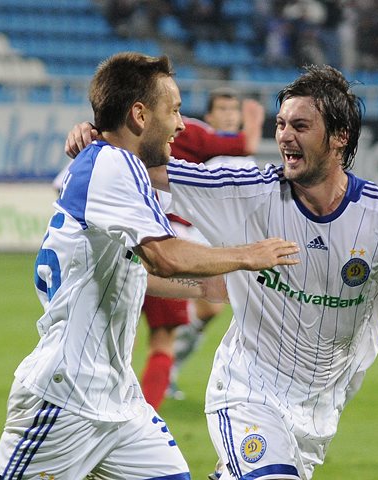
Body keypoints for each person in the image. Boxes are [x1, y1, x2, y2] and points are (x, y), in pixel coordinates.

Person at [66, 64, 378, 480]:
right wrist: (98, 141)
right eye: (281, 124)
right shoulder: (246, 191)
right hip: (246, 393)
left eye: (301, 126)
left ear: (340, 136)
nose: (285, 136)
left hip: (319, 411)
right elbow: (142, 169)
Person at [0, 52, 300, 480]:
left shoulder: (116, 164)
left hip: (119, 399)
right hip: (65, 397)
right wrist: (249, 255)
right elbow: (164, 256)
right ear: (139, 114)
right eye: (173, 111)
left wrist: (210, 285)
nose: (181, 124)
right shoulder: (112, 165)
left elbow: (133, 270)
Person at [142, 87, 264, 408]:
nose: (229, 115)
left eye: (233, 110)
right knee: (193, 310)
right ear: (210, 115)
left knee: (209, 306)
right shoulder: (201, 141)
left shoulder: (242, 161)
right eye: (222, 109)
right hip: (177, 236)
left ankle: (168, 369)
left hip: (204, 238)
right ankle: (160, 379)